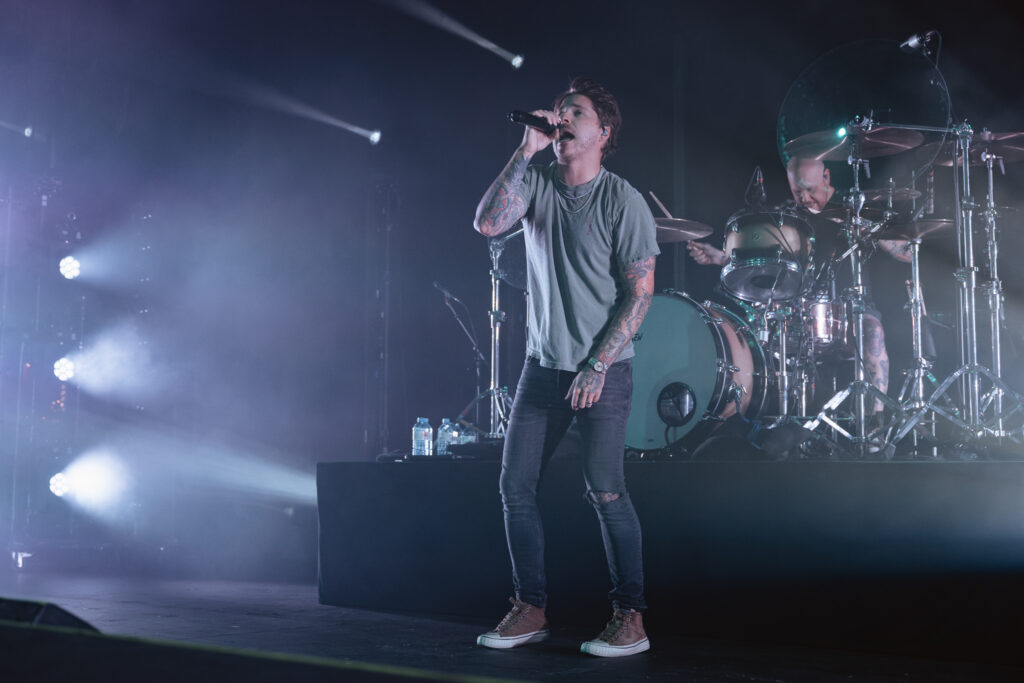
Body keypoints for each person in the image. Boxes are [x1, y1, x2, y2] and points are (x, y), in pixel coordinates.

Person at [472, 77, 659, 658]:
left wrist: (597, 364)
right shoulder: (536, 181)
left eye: (574, 112)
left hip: (603, 369)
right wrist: (525, 149)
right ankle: (530, 608)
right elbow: (487, 223)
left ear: (602, 132)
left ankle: (630, 618)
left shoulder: (623, 200)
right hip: (543, 366)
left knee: (605, 492)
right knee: (515, 487)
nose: (562, 119)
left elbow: (640, 295)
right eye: (558, 111)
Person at [686, 156, 911, 418]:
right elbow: (765, 263)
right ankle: (779, 422)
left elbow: (906, 252)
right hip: (797, 309)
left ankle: (873, 424)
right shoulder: (790, 217)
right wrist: (719, 257)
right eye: (797, 191)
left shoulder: (854, 207)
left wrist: (860, 224)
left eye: (809, 189)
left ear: (826, 177)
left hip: (852, 309)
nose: (804, 198)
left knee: (872, 333)